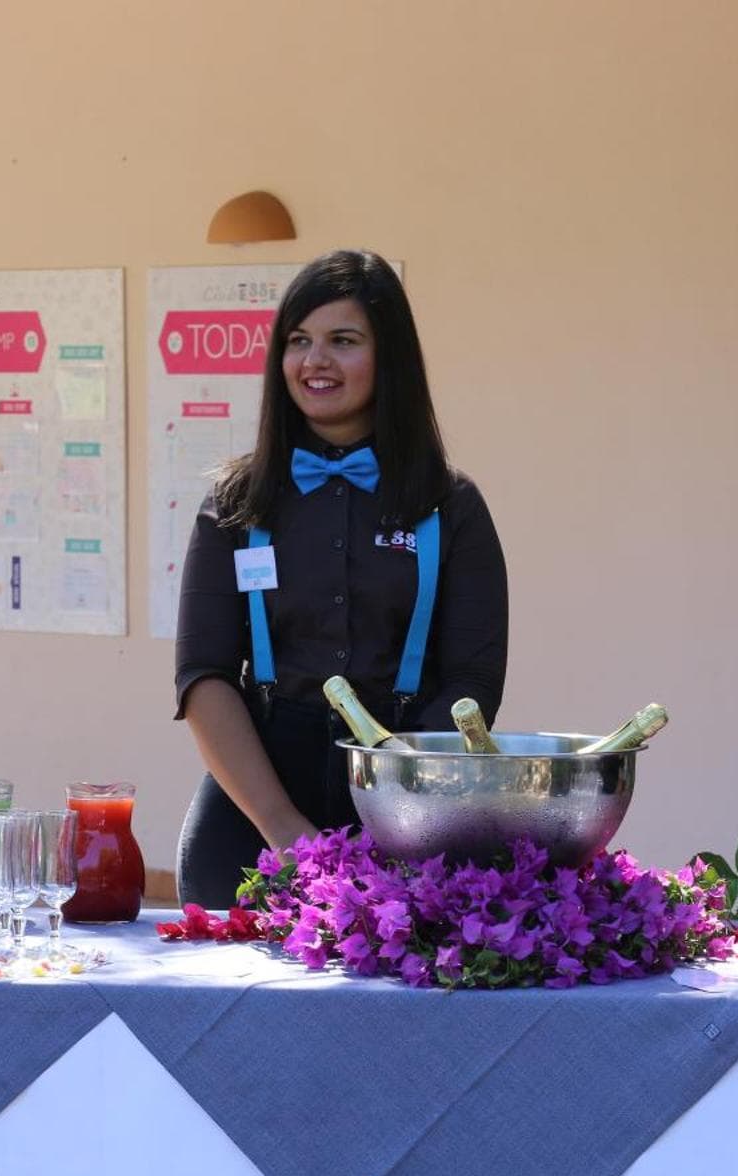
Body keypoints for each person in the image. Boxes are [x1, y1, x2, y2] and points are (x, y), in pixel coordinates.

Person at [173, 250, 509, 908]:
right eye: (298, 340)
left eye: (343, 341)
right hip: (256, 808)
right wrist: (284, 830)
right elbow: (203, 674)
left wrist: (398, 805)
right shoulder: (235, 503)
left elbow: (473, 682)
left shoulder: (452, 506)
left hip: (409, 795)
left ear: (390, 357)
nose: (314, 361)